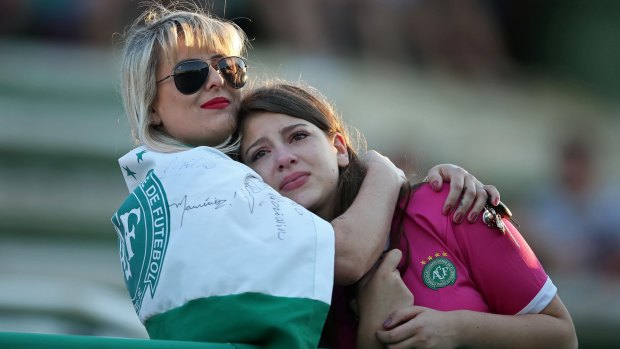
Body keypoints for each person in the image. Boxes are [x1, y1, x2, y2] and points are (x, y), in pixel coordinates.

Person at [112, 2, 499, 347]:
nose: (216, 80)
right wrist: (384, 169)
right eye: (190, 73)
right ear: (151, 107)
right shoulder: (203, 177)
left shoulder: (155, 188)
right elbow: (348, 255)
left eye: (229, 67)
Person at [236, 82, 578, 349]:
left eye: (298, 136)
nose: (284, 158)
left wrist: (455, 329)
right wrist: (372, 327)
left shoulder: (449, 203)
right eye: (260, 153)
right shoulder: (282, 275)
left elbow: (562, 336)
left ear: (339, 148)